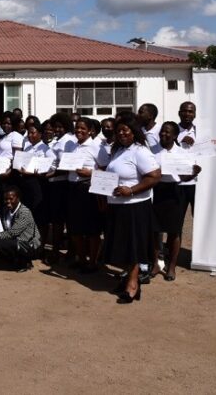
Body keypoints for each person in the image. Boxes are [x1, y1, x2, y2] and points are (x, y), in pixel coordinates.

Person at [97, 114, 161, 303]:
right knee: (122, 246)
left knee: (133, 247)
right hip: (117, 207)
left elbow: (155, 176)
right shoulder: (118, 150)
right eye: (119, 131)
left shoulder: (140, 151)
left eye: (126, 130)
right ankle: (128, 278)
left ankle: (133, 284)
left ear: (134, 132)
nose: (122, 133)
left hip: (134, 207)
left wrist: (131, 190)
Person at [151, 121, 201, 281]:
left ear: (174, 135)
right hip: (156, 192)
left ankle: (171, 266)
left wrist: (193, 174)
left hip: (175, 193)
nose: (163, 135)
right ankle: (156, 264)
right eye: (161, 133)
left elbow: (185, 176)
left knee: (174, 231)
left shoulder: (182, 153)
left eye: (167, 133)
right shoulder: (152, 151)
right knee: (154, 230)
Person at [65, 118, 104, 272]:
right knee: (75, 228)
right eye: (77, 128)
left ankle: (92, 262)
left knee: (92, 229)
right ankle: (81, 259)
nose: (78, 131)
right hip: (72, 188)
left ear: (90, 131)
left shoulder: (96, 147)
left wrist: (90, 172)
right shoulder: (73, 146)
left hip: (88, 189)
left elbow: (106, 168)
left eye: (82, 128)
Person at [43, 113, 76, 264]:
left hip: (60, 183)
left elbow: (65, 166)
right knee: (60, 219)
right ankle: (68, 251)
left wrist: (49, 174)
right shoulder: (59, 140)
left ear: (67, 126)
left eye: (60, 126)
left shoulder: (67, 141)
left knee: (58, 220)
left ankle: (57, 252)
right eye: (55, 126)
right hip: (55, 182)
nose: (57, 129)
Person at [0, 186, 41, 272]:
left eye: (11, 199)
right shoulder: (5, 210)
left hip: (29, 244)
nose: (8, 201)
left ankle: (24, 262)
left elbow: (13, 232)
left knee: (0, 244)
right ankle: (16, 261)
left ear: (18, 198)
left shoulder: (24, 212)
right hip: (14, 241)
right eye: (6, 199)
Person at [177, 101, 199, 214]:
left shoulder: (200, 132)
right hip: (178, 183)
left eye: (190, 111)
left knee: (200, 219)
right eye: (184, 111)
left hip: (198, 184)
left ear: (194, 114)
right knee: (177, 220)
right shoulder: (172, 131)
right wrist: (179, 139)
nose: (187, 114)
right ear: (179, 113)